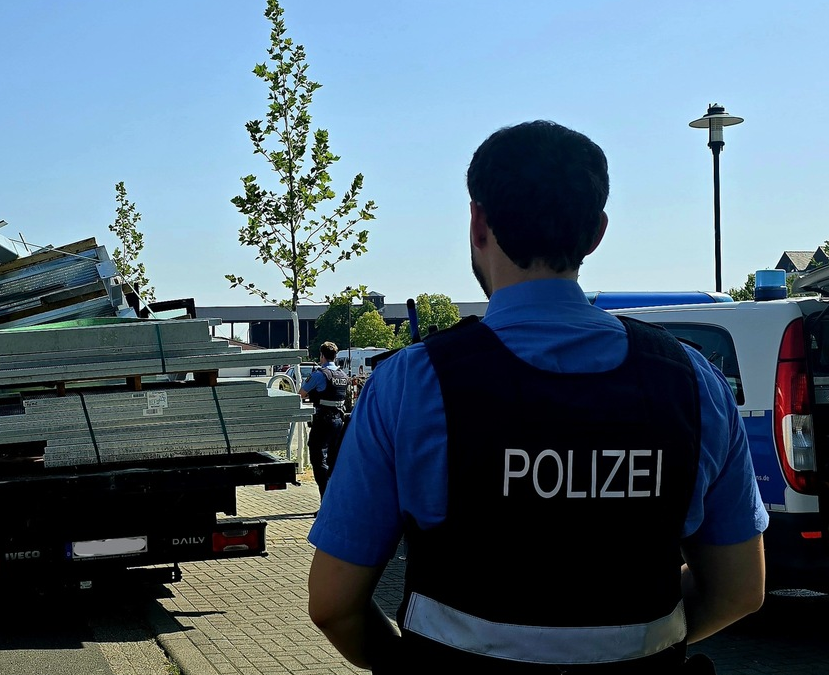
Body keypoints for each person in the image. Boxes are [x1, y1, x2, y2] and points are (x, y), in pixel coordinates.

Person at [306, 120, 767, 673]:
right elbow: (740, 590)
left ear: (478, 223)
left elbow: (334, 605)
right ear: (596, 232)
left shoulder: (411, 383)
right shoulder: (693, 383)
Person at [298, 341, 349, 497]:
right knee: (334, 460)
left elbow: (301, 393)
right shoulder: (343, 375)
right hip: (339, 422)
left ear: (322, 356)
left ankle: (325, 501)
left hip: (323, 421)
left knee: (319, 459)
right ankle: (335, 501)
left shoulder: (320, 374)